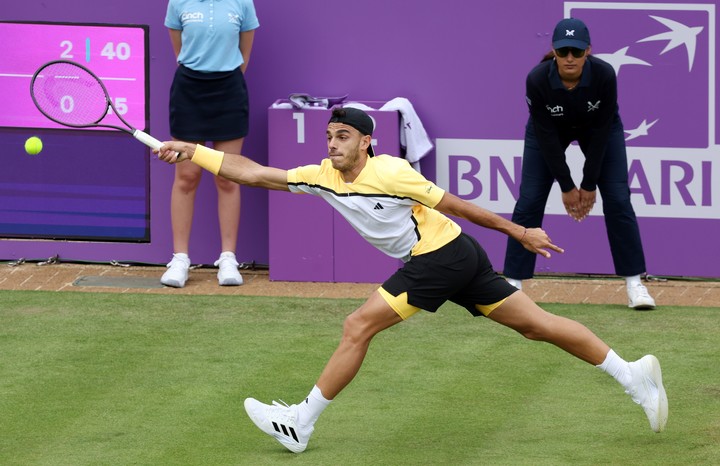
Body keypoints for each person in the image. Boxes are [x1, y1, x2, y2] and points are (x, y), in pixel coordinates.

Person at [155, 107, 668, 453]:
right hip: (454, 260)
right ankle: (634, 375)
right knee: (537, 326)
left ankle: (301, 422)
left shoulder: (394, 172)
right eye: (330, 136)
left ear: (366, 141)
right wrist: (192, 150)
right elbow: (252, 172)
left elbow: (459, 207)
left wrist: (520, 232)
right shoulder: (322, 176)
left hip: (441, 255)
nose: (333, 144)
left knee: (358, 325)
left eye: (343, 137)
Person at [503, 18, 656, 310]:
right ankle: (513, 285)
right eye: (563, 52)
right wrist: (567, 186)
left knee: (619, 199)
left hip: (599, 129)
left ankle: (635, 284)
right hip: (548, 132)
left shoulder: (604, 75)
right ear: (554, 52)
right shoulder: (537, 79)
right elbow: (547, 139)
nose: (569, 58)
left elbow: (600, 134)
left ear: (588, 50)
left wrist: (587, 185)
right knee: (529, 199)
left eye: (576, 51)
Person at [161, 0, 259, 288]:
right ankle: (180, 259)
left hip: (229, 91)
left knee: (227, 177)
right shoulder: (178, 2)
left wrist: (222, 75)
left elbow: (244, 56)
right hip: (188, 91)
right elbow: (179, 51)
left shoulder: (242, 3)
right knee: (186, 177)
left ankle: (228, 258)